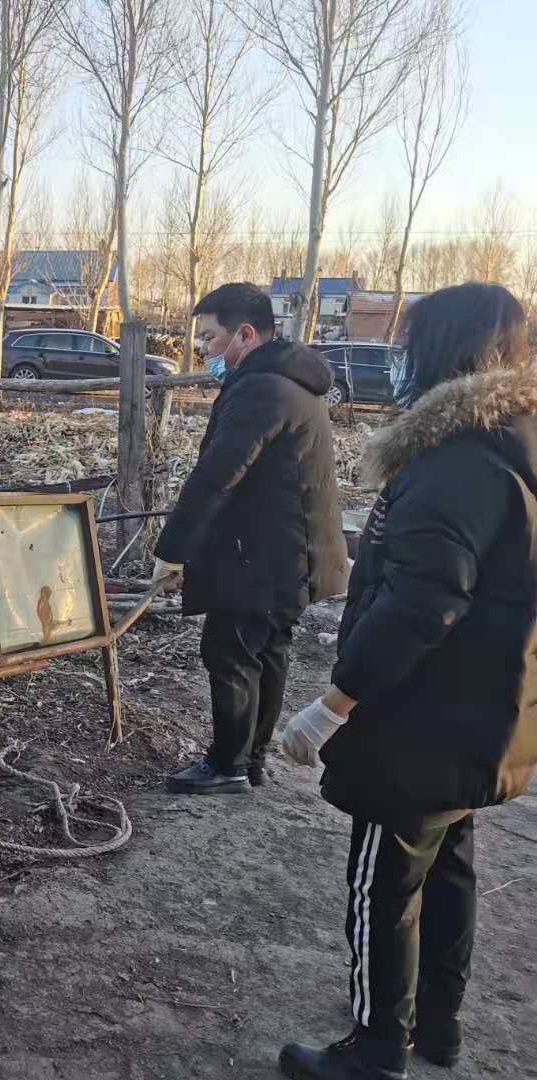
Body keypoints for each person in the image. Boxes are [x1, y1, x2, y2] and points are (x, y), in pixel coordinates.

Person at [277, 284, 537, 1080]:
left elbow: (421, 603)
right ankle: (435, 1026)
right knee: (448, 865)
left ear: (444, 353)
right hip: (484, 712)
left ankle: (375, 1046)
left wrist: (334, 704)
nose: (397, 361)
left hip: (421, 718)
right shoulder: (512, 446)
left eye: (406, 346)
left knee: (382, 883)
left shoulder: (456, 461)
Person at [152, 282, 347, 795]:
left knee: (231, 654)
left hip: (260, 557)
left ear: (244, 334)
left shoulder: (261, 389)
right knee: (267, 653)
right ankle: (250, 759)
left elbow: (217, 475)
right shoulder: (292, 383)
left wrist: (172, 551)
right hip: (290, 554)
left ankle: (228, 765)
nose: (204, 349)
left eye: (210, 337)